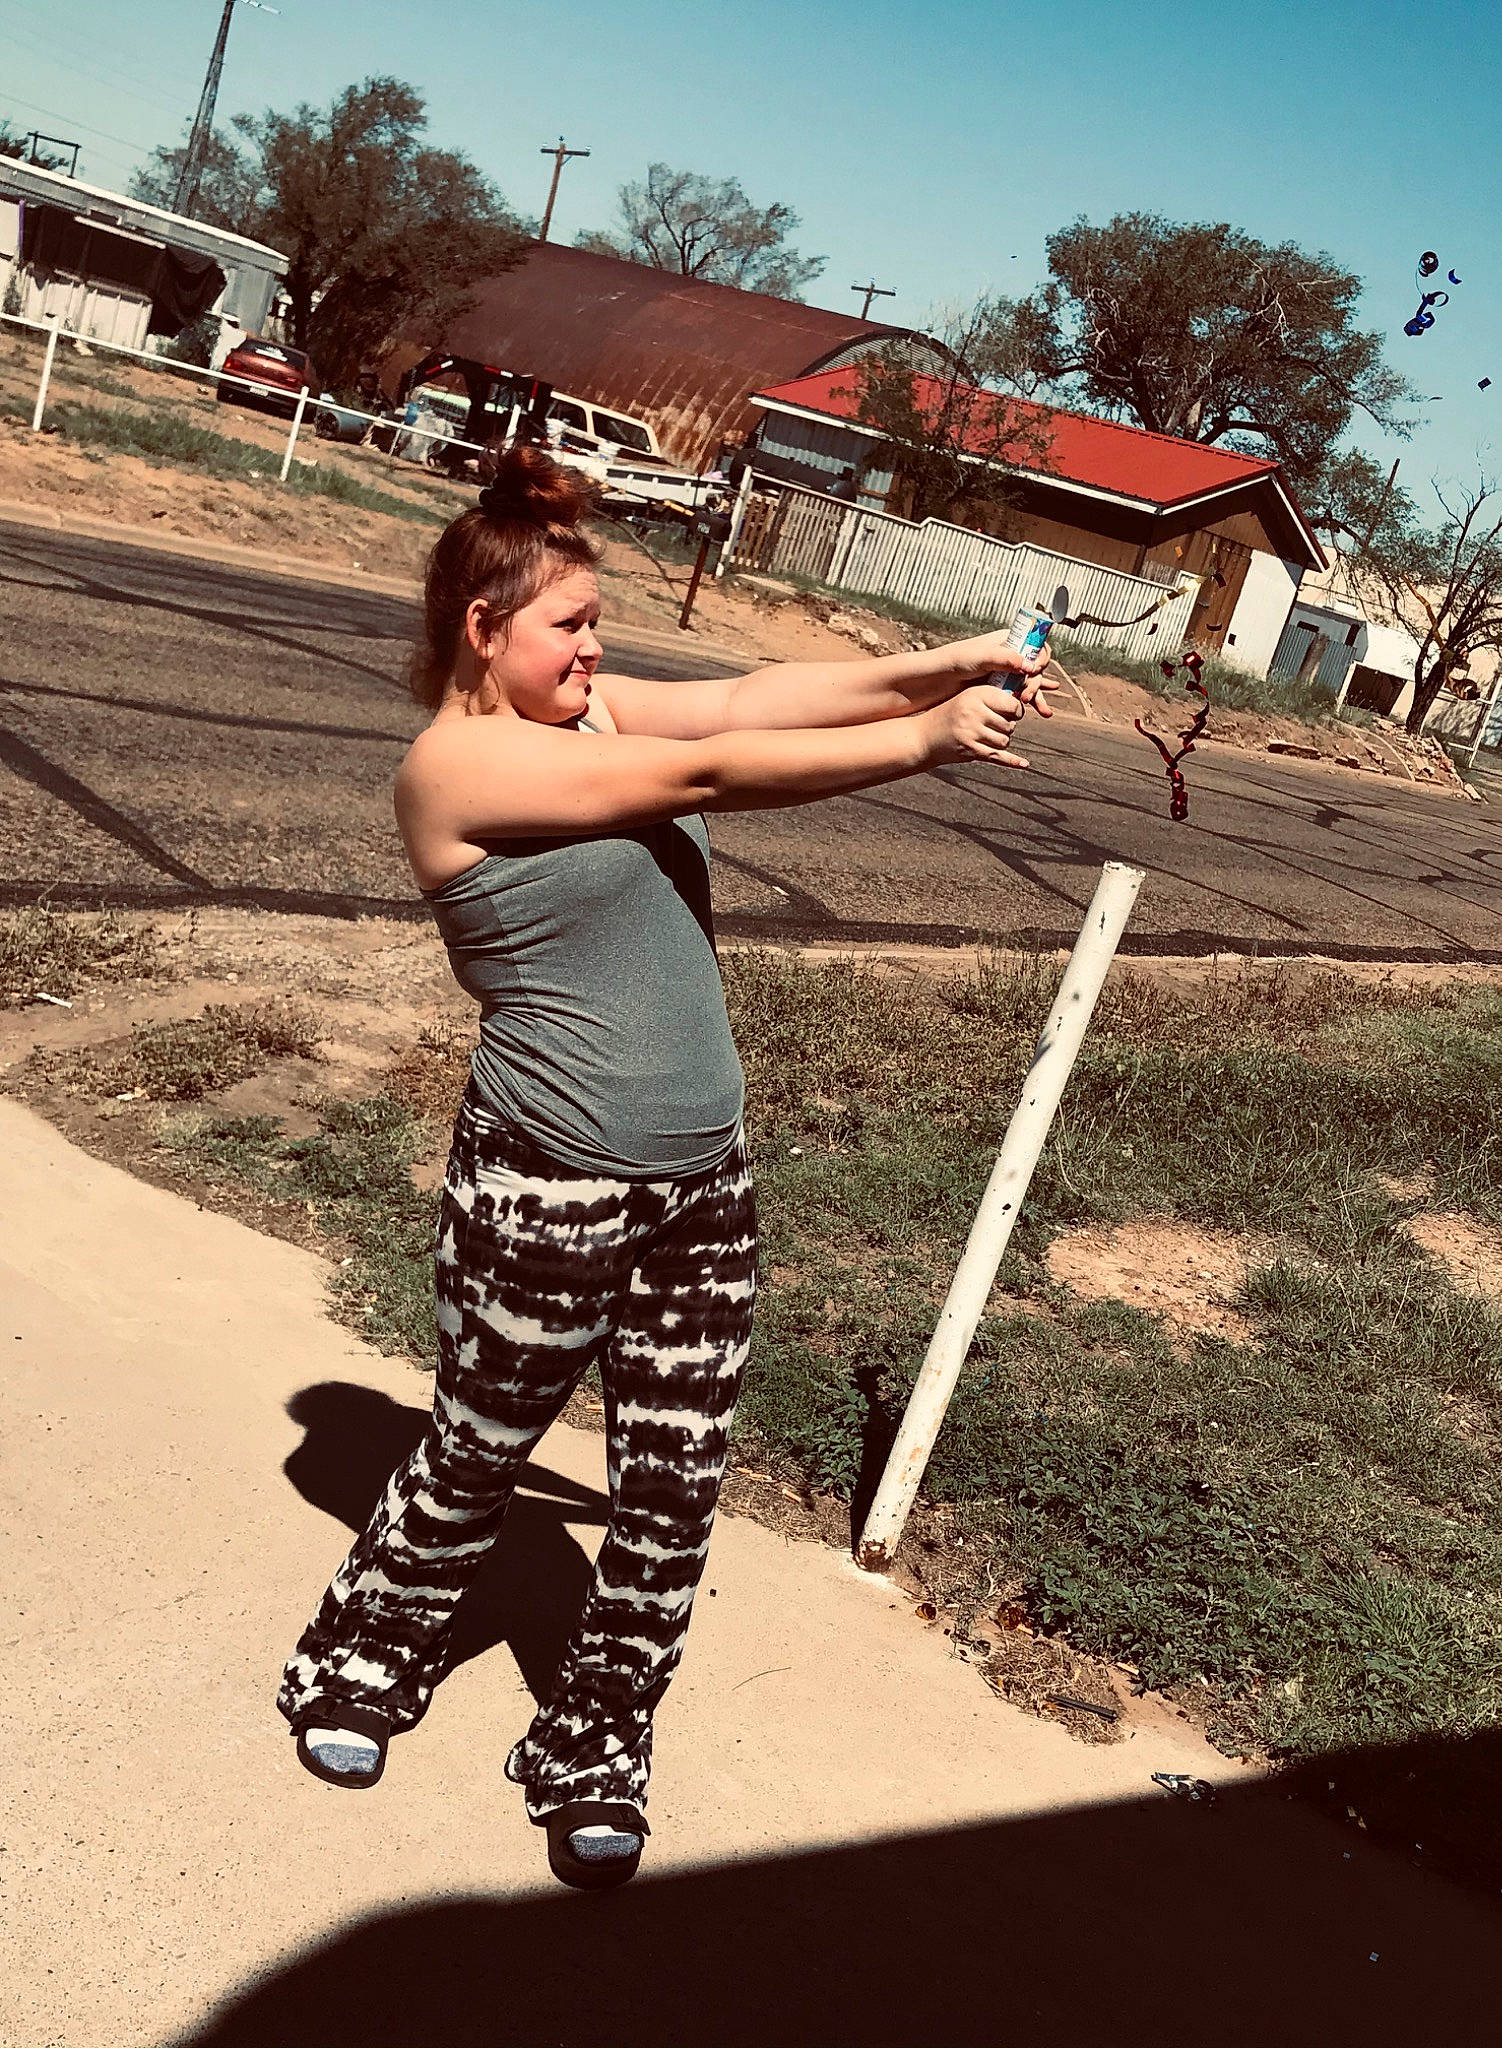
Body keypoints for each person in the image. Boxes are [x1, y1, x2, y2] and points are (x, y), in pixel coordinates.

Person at [276, 445, 1057, 1891]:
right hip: (547, 1183)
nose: (594, 650)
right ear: (480, 630)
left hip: (704, 1190)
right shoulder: (455, 764)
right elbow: (710, 769)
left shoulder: (590, 714)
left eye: (596, 623)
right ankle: (362, 1659)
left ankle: (595, 1744)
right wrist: (926, 743)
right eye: (567, 626)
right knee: (474, 1455)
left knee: (672, 1491)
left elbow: (756, 703)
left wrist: (945, 660)